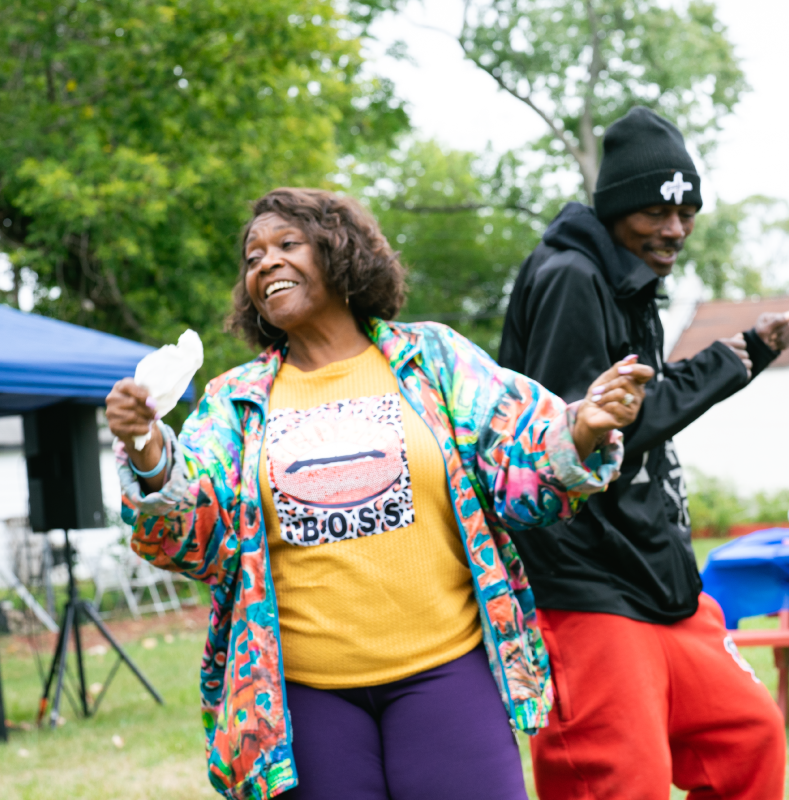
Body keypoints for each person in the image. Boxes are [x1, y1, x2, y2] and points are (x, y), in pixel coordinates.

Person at [105, 188, 652, 800]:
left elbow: (519, 461)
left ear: (341, 254)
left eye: (288, 245)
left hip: (446, 673)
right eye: (253, 257)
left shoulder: (432, 360)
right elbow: (199, 540)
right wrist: (150, 449)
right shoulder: (235, 399)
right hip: (305, 697)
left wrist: (581, 428)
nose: (265, 264)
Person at [499, 107, 789, 800]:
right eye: (658, 211)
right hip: (587, 580)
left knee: (747, 736)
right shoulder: (571, 277)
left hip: (656, 575)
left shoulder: (631, 284)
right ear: (617, 207)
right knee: (620, 781)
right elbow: (590, 437)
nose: (675, 228)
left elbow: (644, 413)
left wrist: (741, 355)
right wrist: (736, 359)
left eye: (687, 211)